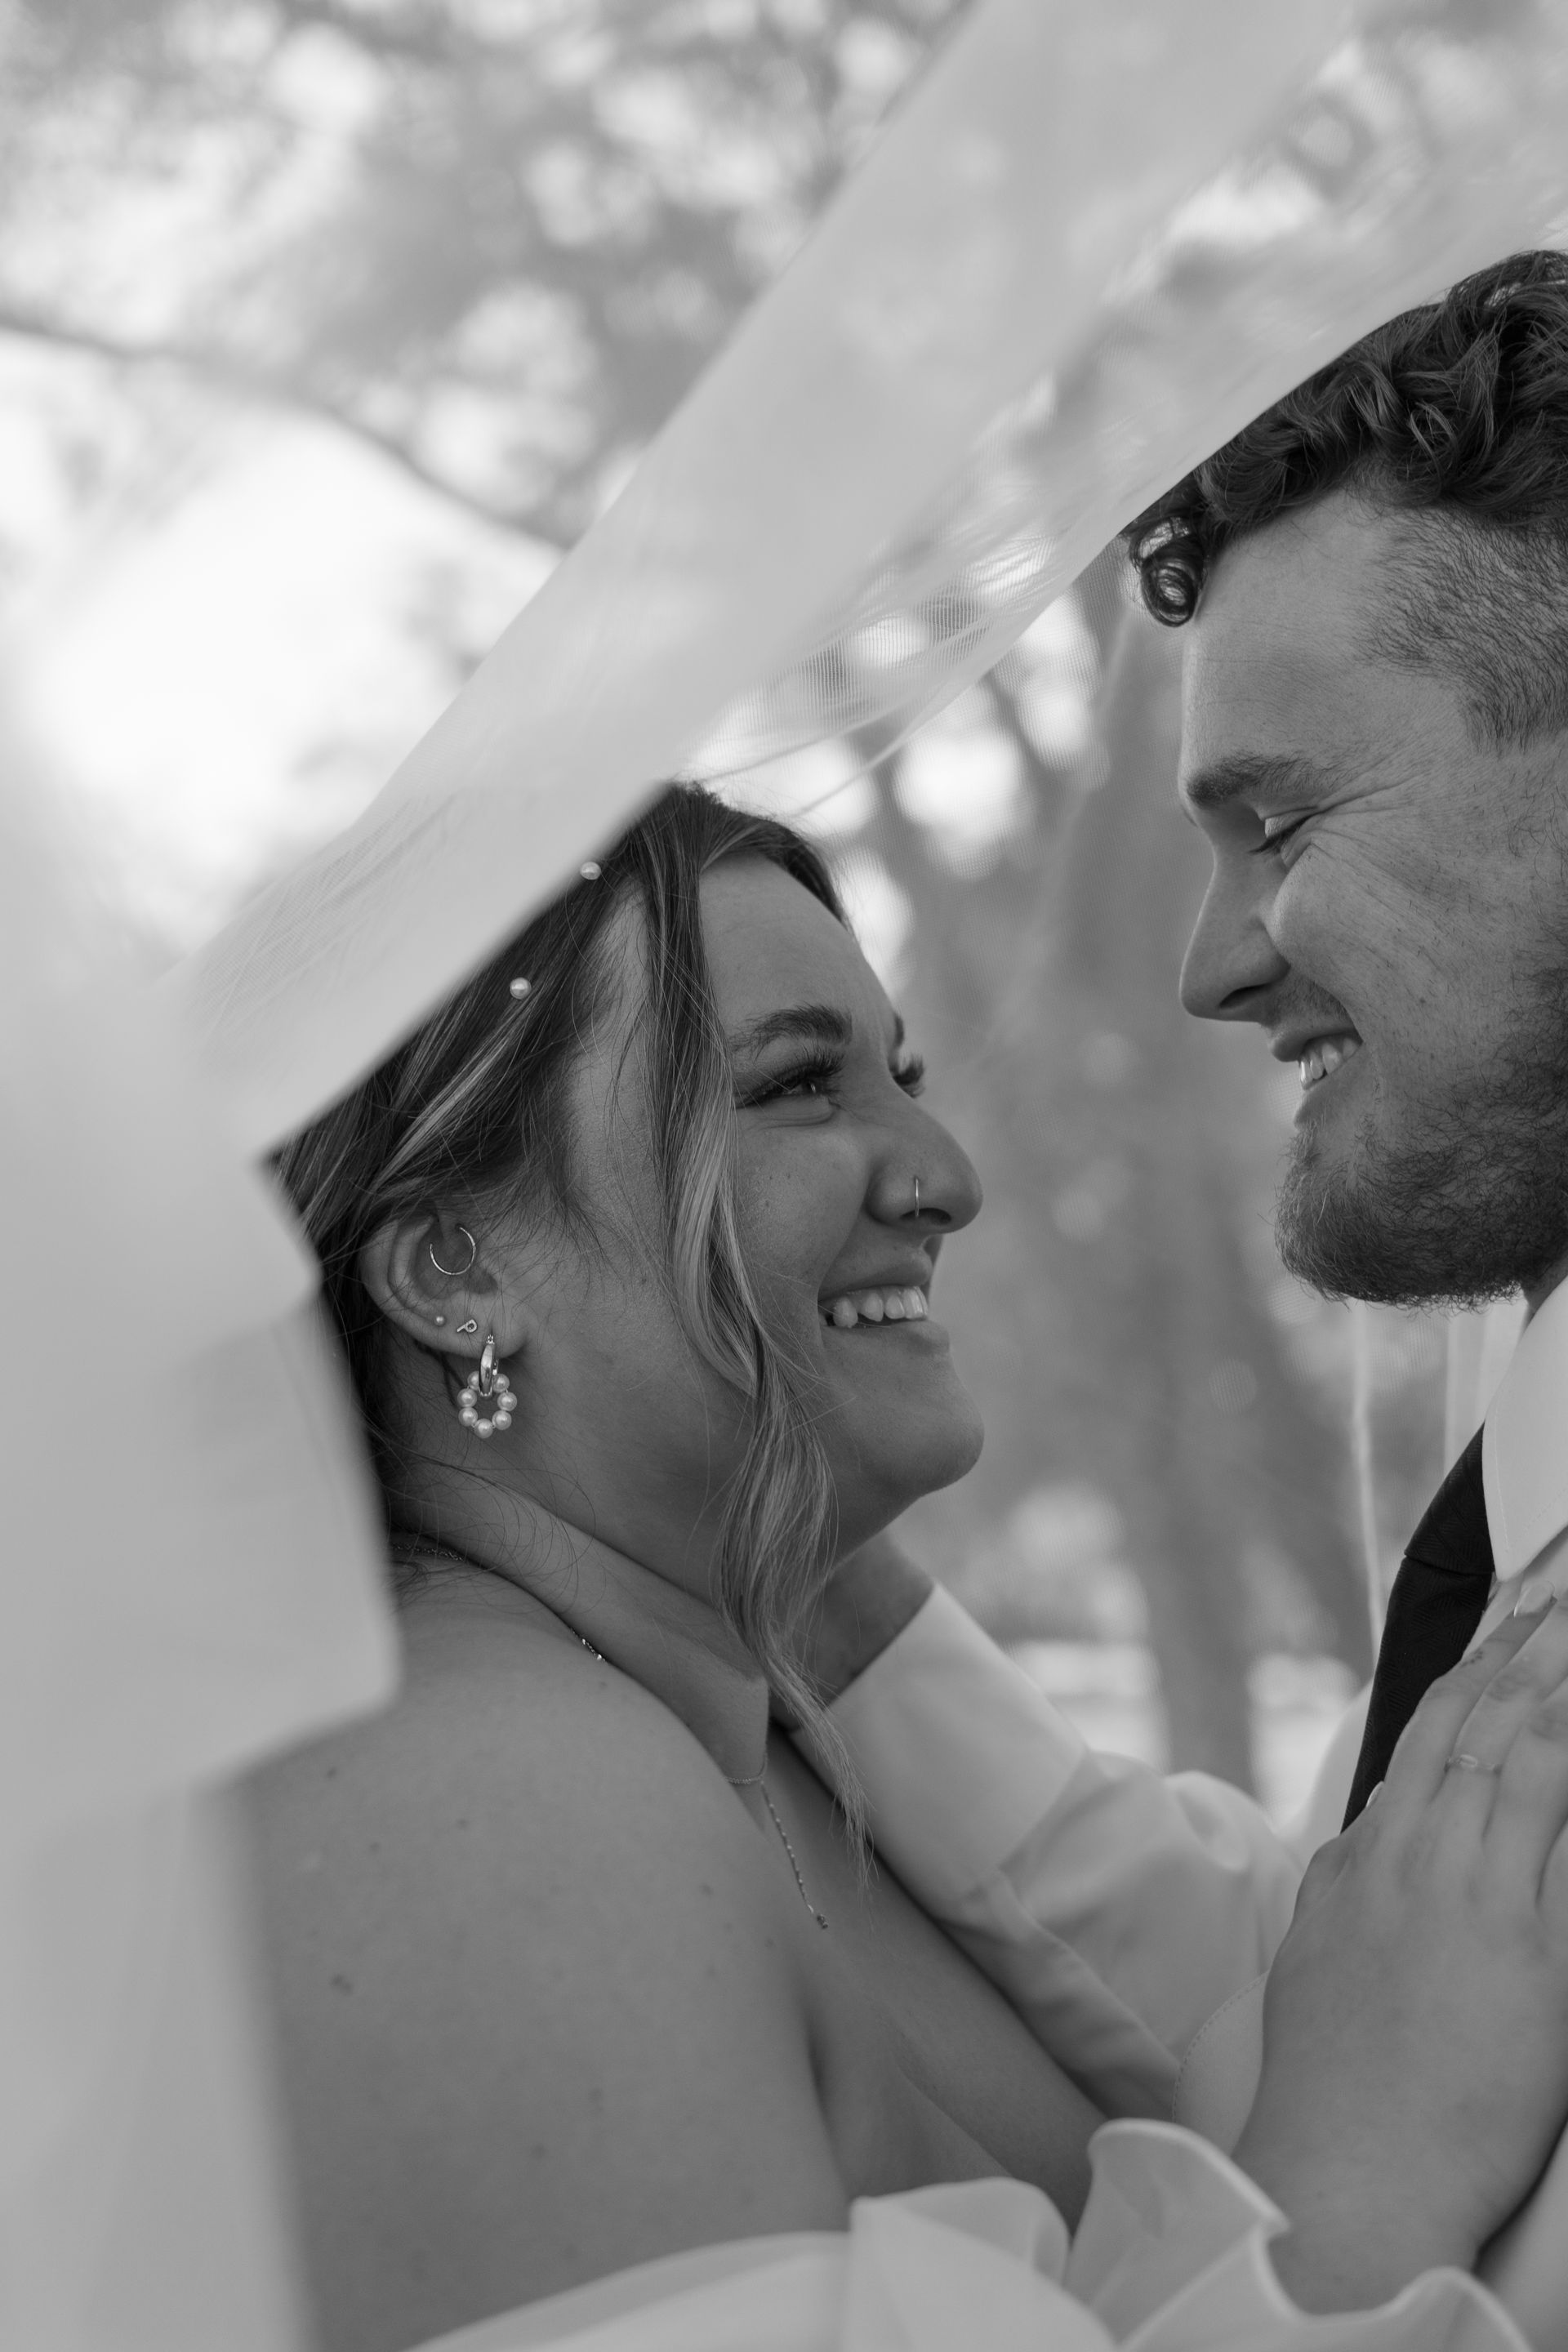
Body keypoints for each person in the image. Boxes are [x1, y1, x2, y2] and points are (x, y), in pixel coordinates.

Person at [243, 782, 1568, 2352]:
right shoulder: (479, 1815)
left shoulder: (755, 1739)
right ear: (459, 1268)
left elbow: (1212, 1985)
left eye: (904, 1073)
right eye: (801, 1085)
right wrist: (1346, 2193)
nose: (945, 1171)